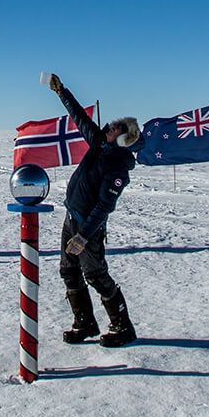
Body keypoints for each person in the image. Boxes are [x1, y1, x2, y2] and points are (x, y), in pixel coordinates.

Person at [46, 73, 139, 347]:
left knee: (95, 275)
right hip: (70, 218)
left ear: (121, 139)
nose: (109, 126)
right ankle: (85, 322)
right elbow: (80, 119)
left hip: (88, 228)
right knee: (68, 270)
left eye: (116, 127)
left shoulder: (117, 168)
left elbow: (104, 206)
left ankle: (123, 327)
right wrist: (61, 91)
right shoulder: (99, 144)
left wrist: (84, 236)